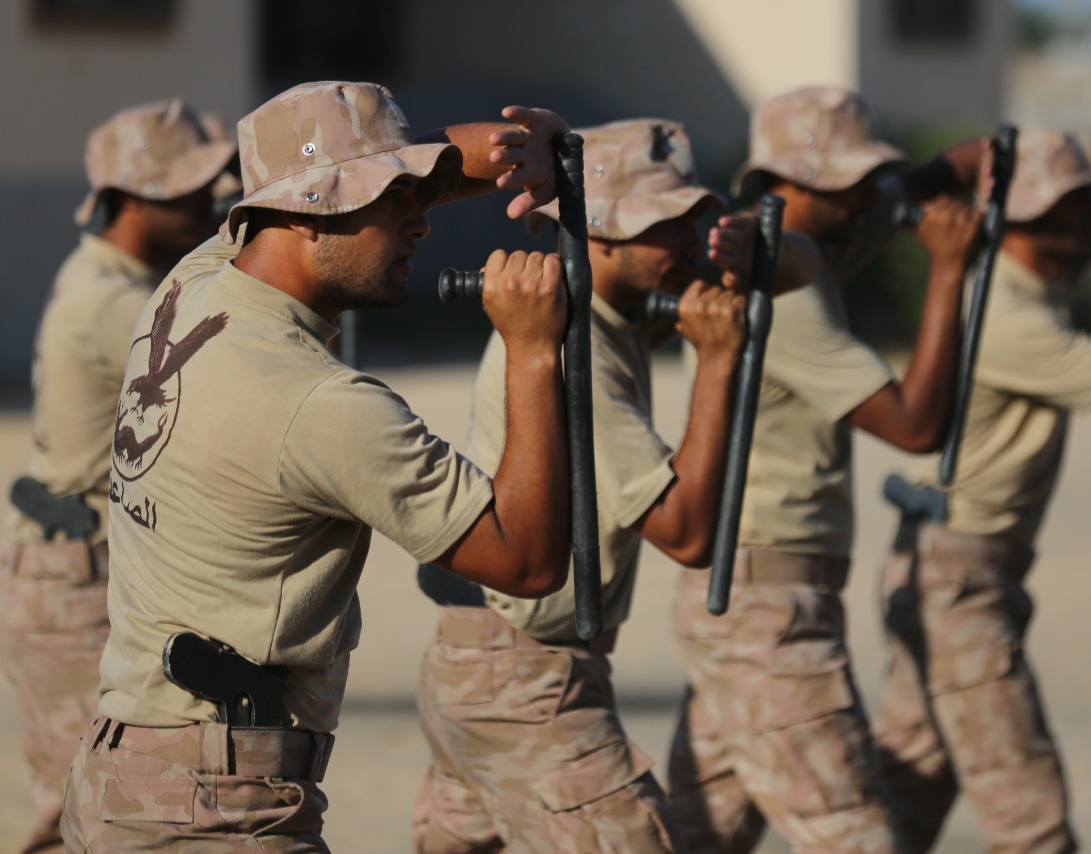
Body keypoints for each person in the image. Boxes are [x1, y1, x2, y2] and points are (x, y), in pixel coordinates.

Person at [59, 80, 577, 853]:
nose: (422, 220)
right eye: (392, 199)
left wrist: (522, 152)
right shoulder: (320, 405)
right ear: (304, 212)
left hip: (127, 777)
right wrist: (533, 350)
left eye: (417, 193)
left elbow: (368, 178)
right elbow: (526, 561)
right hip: (216, 811)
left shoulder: (194, 285)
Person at [411, 118, 752, 853]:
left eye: (693, 219)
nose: (690, 242)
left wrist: (748, 268)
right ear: (598, 229)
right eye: (665, 225)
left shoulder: (605, 314)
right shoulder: (579, 345)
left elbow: (777, 267)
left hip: (492, 659)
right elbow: (688, 532)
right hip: (524, 677)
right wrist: (719, 360)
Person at [664, 85, 984, 853]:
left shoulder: (809, 248)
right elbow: (916, 425)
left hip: (754, 595)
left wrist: (986, 161)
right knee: (857, 836)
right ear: (798, 182)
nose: (874, 196)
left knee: (696, 840)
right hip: (767, 611)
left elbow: (904, 191)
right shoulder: (780, 292)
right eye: (855, 180)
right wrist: (948, 270)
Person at [871, 128, 1091, 854]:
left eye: (1086, 203)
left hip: (959, 568)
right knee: (1031, 817)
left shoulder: (1035, 267)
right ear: (1017, 221)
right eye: (1068, 209)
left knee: (899, 809)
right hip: (957, 581)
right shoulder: (1004, 316)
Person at [0, 98, 236, 854]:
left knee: (90, 810)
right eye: (194, 189)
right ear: (136, 196)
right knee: (88, 811)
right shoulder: (114, 301)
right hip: (77, 577)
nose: (212, 202)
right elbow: (233, 386)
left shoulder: (105, 276)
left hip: (77, 568)